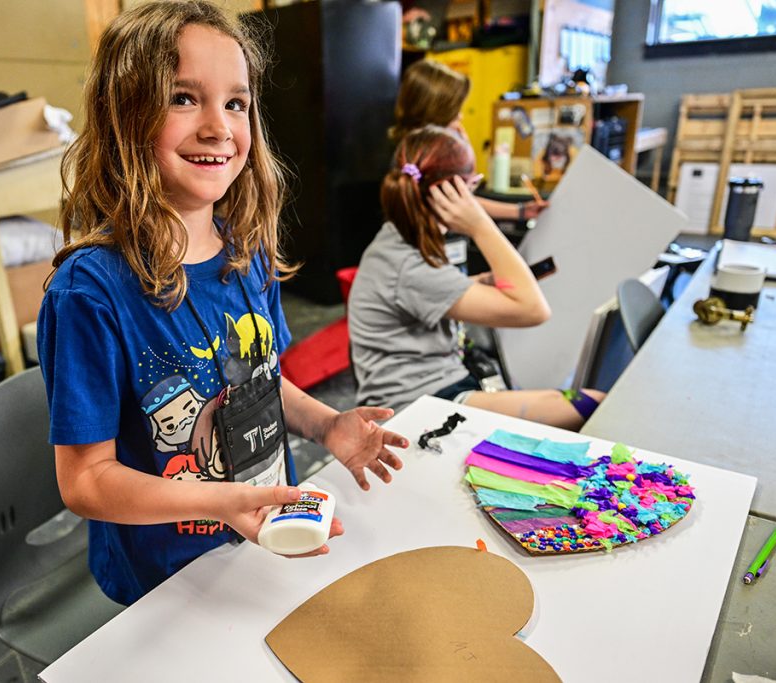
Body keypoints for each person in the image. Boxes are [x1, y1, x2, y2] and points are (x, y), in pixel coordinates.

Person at [37, 0, 407, 606]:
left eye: (236, 103)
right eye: (183, 98)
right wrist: (220, 501)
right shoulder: (90, 291)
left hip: (262, 541)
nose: (218, 127)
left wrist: (326, 425)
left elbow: (262, 380)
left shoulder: (246, 250)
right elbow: (85, 481)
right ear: (124, 114)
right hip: (168, 580)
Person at [349, 125, 604, 430]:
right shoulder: (407, 262)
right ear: (458, 193)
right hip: (417, 404)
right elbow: (535, 310)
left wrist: (476, 284)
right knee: (592, 405)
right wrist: (480, 225)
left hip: (436, 381)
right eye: (473, 186)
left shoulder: (404, 238)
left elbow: (425, 294)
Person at [389, 59, 546, 223]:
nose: (461, 116)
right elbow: (460, 201)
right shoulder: (421, 158)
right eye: (455, 110)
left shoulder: (418, 150)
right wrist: (463, 144)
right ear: (436, 111)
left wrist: (519, 211)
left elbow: (462, 199)